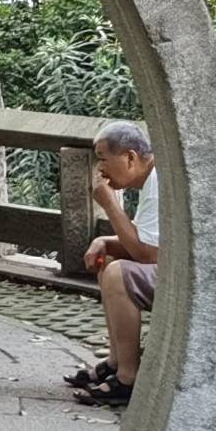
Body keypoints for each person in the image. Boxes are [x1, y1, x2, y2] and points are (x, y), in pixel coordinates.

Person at [70, 119, 161, 409]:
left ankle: (128, 378)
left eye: (103, 159)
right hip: (177, 265)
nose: (99, 169)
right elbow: (146, 242)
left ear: (130, 157)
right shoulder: (154, 178)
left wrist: (110, 204)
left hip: (196, 278)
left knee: (118, 273)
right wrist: (106, 242)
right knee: (108, 259)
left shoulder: (159, 181)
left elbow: (146, 254)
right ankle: (116, 360)